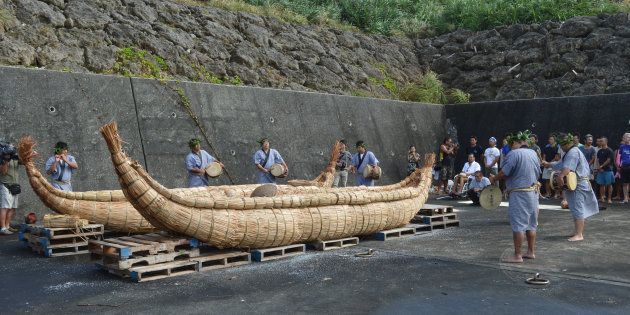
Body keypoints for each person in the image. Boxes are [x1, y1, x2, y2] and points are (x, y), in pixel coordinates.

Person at [491, 131, 540, 263]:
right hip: (533, 192)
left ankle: (517, 255)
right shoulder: (534, 153)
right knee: (531, 224)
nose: (510, 146)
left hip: (520, 193)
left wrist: (494, 178)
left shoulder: (514, 153)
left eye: (511, 144)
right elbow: (538, 171)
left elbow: (504, 172)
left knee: (519, 224)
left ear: (516, 143)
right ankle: (531, 252)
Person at [543, 133, 599, 242]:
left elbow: (567, 168)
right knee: (574, 207)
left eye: (562, 144)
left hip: (578, 183)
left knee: (578, 208)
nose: (561, 147)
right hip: (574, 183)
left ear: (568, 143)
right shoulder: (569, 152)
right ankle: (577, 232)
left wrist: (561, 176)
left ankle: (579, 234)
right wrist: (549, 164)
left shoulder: (573, 152)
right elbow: (561, 163)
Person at [0, 141, 21, 235]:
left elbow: (24, 161)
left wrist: (29, 154)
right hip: (6, 185)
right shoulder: (2, 158)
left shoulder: (15, 158)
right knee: (5, 207)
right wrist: (6, 160)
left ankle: (8, 226)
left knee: (12, 208)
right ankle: (3, 228)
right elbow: (3, 172)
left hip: (15, 186)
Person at [595, 137, 615, 204]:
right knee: (601, 184)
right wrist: (599, 168)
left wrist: (602, 166)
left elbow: (608, 160)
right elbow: (597, 160)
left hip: (608, 170)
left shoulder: (609, 150)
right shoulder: (599, 151)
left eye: (602, 141)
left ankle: (609, 199)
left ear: (606, 142)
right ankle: (602, 198)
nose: (600, 142)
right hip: (601, 171)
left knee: (609, 184)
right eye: (600, 141)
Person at [541, 134, 560, 199]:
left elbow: (557, 158)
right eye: (549, 139)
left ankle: (556, 194)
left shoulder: (557, 148)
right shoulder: (546, 147)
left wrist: (549, 163)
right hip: (546, 166)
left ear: (554, 140)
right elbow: (544, 156)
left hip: (554, 166)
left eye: (551, 139)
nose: (550, 140)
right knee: (547, 180)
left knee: (555, 180)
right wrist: (544, 162)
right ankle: (548, 193)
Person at [619, 133, 630, 204]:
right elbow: (620, 157)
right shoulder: (622, 146)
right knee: (624, 183)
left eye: (625, 137)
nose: (623, 138)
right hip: (624, 167)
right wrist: (620, 165)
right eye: (623, 137)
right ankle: (626, 198)